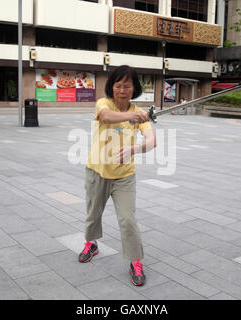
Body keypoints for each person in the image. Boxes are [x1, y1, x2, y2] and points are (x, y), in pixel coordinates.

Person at [78, 65, 157, 287]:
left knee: (128, 219)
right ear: (112, 87)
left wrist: (135, 149)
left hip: (124, 176)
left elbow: (152, 140)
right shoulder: (105, 104)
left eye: (127, 86)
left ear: (134, 88)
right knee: (93, 213)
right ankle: (91, 244)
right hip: (98, 171)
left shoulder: (139, 114)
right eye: (118, 85)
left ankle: (135, 261)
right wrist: (132, 115)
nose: (122, 90)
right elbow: (106, 117)